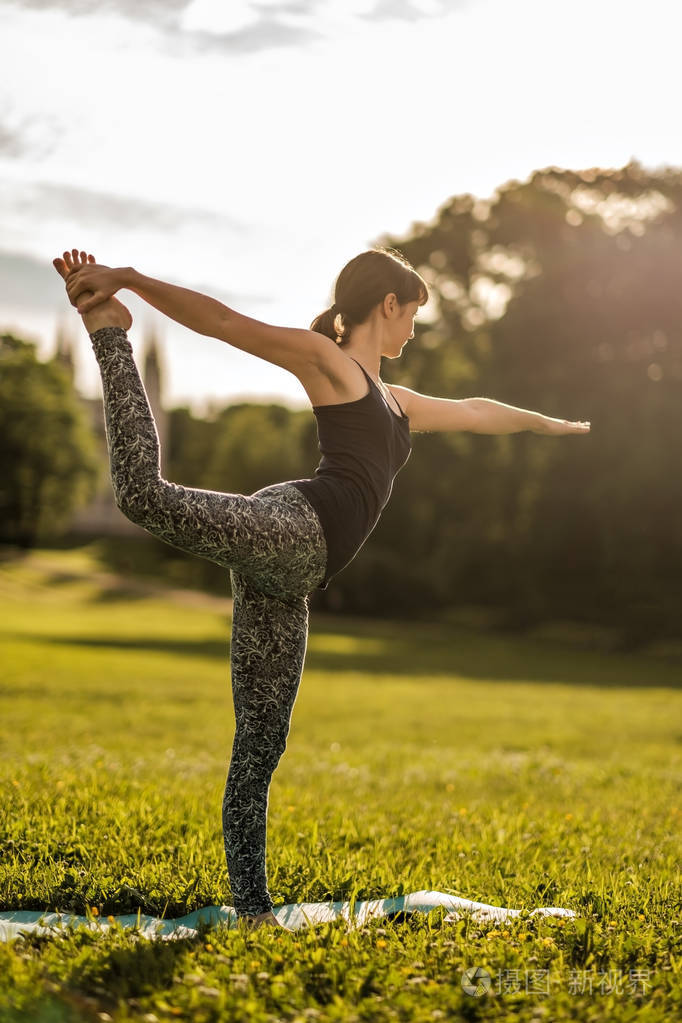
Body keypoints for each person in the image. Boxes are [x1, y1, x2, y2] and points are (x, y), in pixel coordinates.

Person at [52, 245, 590, 932]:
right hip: (291, 530)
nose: (413, 334)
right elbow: (222, 322)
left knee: (261, 743)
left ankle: (252, 911)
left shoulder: (396, 402)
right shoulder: (332, 364)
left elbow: (478, 410)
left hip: (293, 575)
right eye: (412, 317)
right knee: (143, 496)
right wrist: (125, 279)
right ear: (386, 305)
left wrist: (551, 424)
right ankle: (109, 331)